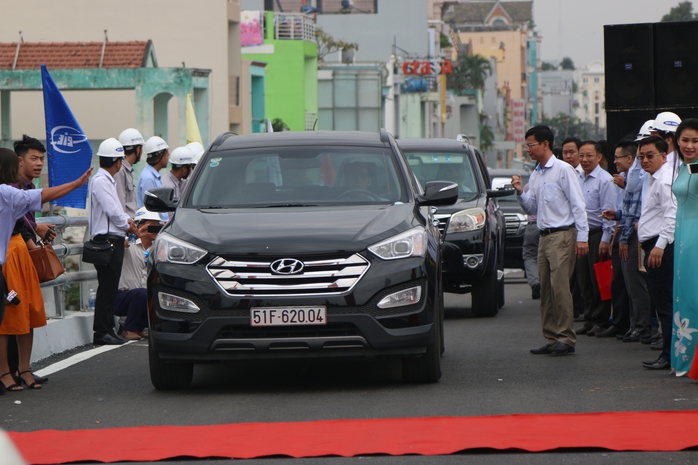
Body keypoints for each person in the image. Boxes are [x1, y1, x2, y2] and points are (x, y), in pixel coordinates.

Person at [0, 147, 91, 392]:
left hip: (17, 252)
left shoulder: (11, 193)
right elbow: (44, 196)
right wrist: (76, 183)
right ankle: (6, 372)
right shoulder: (7, 193)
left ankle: (22, 369)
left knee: (26, 309)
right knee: (9, 314)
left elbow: (32, 208)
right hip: (9, 256)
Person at [512, 126, 588, 356]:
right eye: (527, 145)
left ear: (545, 144)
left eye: (531, 145)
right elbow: (533, 208)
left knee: (560, 288)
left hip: (563, 235)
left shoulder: (563, 170)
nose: (528, 150)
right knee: (545, 289)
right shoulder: (536, 174)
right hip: (544, 236)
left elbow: (578, 204)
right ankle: (552, 336)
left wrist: (582, 238)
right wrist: (519, 193)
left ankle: (566, 337)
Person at [88, 139, 138, 346]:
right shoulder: (101, 181)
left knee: (108, 287)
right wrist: (128, 224)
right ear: (118, 162)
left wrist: (126, 224)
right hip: (107, 240)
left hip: (112, 239)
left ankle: (107, 329)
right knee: (107, 289)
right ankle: (102, 331)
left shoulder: (106, 180)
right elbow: (113, 211)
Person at [601, 140, 651, 342]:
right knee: (628, 284)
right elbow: (627, 211)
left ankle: (642, 327)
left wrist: (623, 238)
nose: (614, 162)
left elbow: (635, 213)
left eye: (617, 157)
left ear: (629, 158)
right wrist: (616, 215)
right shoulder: (628, 177)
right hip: (627, 231)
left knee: (636, 284)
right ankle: (634, 325)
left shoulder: (637, 178)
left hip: (633, 234)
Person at [636, 136, 676, 370]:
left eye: (650, 155)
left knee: (664, 303)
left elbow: (671, 215)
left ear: (664, 155)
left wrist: (660, 246)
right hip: (652, 245)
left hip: (661, 247)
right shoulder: (652, 179)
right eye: (642, 156)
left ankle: (669, 355)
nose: (645, 160)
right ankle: (669, 354)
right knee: (661, 301)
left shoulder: (663, 181)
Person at [574, 141, 616, 337]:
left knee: (598, 277)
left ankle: (601, 319)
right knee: (584, 279)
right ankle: (589, 318)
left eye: (589, 155)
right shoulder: (577, 177)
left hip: (598, 233)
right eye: (581, 155)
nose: (584, 159)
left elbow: (608, 210)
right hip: (581, 234)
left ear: (599, 157)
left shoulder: (605, 180)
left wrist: (605, 239)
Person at [670, 119, 698, 378]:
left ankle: (693, 363)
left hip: (695, 241)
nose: (690, 145)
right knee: (682, 296)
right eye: (685, 140)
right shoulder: (682, 167)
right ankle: (683, 359)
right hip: (682, 241)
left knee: (693, 297)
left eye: (695, 141)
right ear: (677, 141)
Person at [114, 207, 162, 340]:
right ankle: (129, 329)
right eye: (150, 226)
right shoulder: (130, 243)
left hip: (146, 301)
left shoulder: (158, 248)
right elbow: (120, 246)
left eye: (157, 226)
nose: (154, 230)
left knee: (152, 295)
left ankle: (139, 328)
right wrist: (136, 234)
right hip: (122, 298)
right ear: (140, 225)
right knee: (141, 293)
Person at [114, 128, 145, 219]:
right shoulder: (120, 171)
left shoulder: (126, 170)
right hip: (126, 228)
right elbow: (120, 205)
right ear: (138, 149)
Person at [136, 136, 169, 208]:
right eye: (167, 154)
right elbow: (150, 209)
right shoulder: (149, 178)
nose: (168, 157)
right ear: (161, 156)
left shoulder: (154, 175)